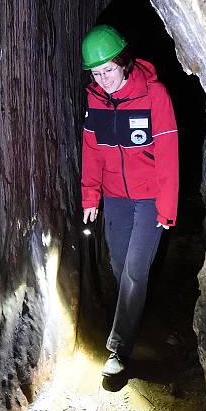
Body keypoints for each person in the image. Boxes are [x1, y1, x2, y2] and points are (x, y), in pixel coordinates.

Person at [80, 24, 179, 377]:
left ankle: (118, 348)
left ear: (124, 62)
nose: (103, 79)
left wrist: (167, 208)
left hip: (150, 198)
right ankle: (134, 317)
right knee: (120, 267)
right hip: (116, 198)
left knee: (135, 272)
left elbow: (168, 153)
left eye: (108, 70)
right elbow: (92, 151)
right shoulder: (95, 99)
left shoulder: (155, 95)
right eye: (96, 72)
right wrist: (90, 195)